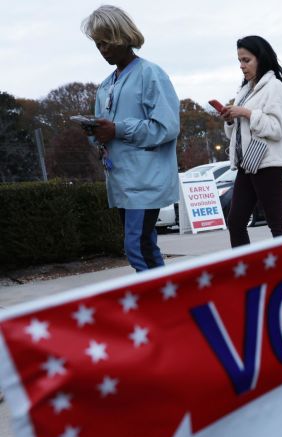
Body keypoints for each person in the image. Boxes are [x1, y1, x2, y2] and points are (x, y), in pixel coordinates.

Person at [81, 5, 179, 272]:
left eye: (107, 43)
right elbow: (108, 130)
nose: (103, 50)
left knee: (137, 247)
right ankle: (166, 303)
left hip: (146, 180)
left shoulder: (151, 74)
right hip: (121, 181)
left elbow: (167, 127)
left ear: (122, 36)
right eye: (98, 44)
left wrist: (117, 129)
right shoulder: (105, 85)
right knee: (144, 245)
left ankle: (156, 305)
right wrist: (96, 133)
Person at [221, 36, 282, 247]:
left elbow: (276, 128)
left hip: (269, 162)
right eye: (239, 61)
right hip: (248, 163)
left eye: (246, 60)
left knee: (276, 222)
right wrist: (230, 120)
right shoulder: (245, 90)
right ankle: (246, 272)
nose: (242, 66)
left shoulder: (275, 88)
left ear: (260, 58)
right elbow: (235, 134)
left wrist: (245, 112)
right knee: (235, 222)